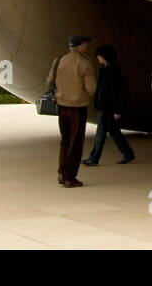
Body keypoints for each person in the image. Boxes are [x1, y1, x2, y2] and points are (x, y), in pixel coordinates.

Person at [49, 34, 98, 187]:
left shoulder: (59, 60)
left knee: (65, 140)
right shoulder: (85, 63)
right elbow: (92, 88)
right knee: (75, 143)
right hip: (78, 107)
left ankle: (62, 172)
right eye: (85, 44)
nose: (87, 46)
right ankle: (70, 177)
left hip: (61, 105)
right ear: (81, 46)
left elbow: (49, 81)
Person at [83, 44, 134, 166]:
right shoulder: (105, 69)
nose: (98, 58)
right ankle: (128, 153)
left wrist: (117, 110)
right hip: (104, 107)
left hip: (108, 108)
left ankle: (94, 158)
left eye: (99, 56)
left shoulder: (113, 71)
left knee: (101, 133)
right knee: (114, 132)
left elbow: (116, 92)